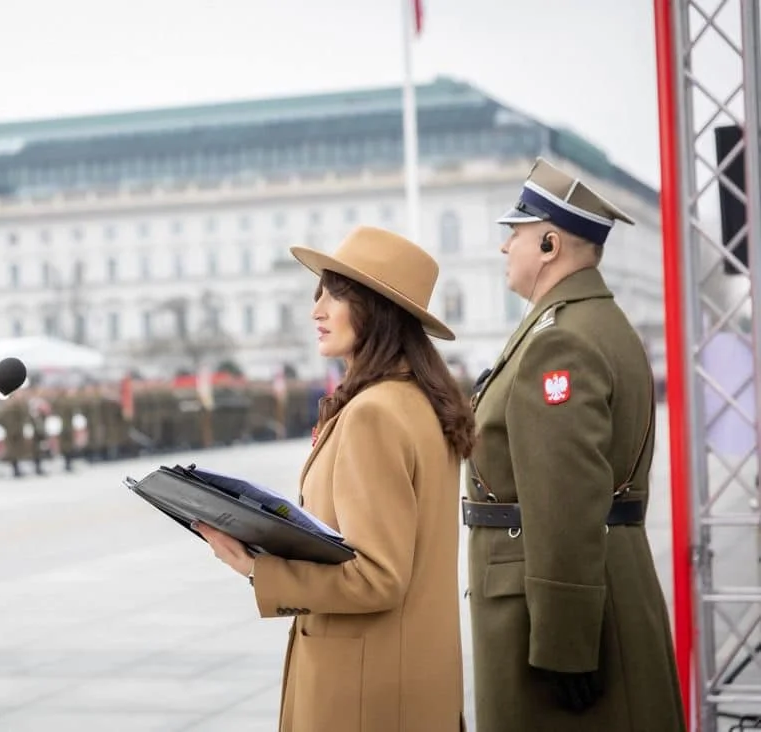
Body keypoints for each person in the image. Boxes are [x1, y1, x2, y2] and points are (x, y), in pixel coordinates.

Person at [195, 226, 475, 732]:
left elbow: (377, 578)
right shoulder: (418, 403)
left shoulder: (375, 414)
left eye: (335, 294)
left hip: (364, 694)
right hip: (409, 679)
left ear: (377, 309)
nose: (316, 310)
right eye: (318, 293)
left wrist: (260, 569)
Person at [463, 157, 685, 730]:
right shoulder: (596, 324)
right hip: (601, 584)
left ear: (550, 244)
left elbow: (564, 499)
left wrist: (564, 642)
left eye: (514, 233)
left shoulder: (559, 342)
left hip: (561, 614)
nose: (504, 247)